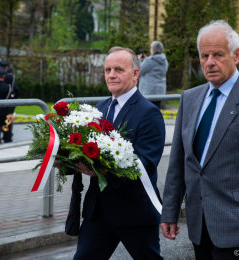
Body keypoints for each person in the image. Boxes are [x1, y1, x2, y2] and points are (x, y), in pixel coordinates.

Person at [160, 20, 239, 260]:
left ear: (236, 55)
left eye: (218, 54)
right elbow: (179, 163)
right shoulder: (189, 99)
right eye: (204, 55)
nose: (209, 62)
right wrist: (169, 212)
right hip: (199, 223)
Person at [65, 47, 166, 260]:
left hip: (134, 212)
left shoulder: (149, 113)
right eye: (108, 69)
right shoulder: (98, 109)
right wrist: (67, 160)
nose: (111, 75)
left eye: (119, 69)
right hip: (98, 211)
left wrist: (101, 172)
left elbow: (145, 164)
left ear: (136, 74)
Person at [138, 41, 168, 109]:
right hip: (160, 92)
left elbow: (139, 71)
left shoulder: (149, 60)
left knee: (146, 113)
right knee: (155, 111)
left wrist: (139, 60)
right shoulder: (164, 61)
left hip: (148, 92)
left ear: (153, 49)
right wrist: (145, 60)